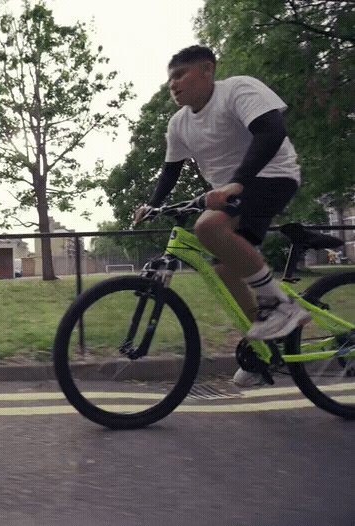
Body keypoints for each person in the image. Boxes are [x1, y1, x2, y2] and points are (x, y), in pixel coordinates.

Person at [134, 45, 310, 387]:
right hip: (233, 195)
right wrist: (152, 203)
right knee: (224, 271)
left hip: (273, 177)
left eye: (180, 75)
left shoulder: (238, 90)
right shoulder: (179, 124)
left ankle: (279, 305)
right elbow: (170, 171)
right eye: (169, 78)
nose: (172, 85)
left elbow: (272, 131)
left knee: (208, 226)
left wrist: (236, 184)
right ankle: (262, 350)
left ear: (206, 70)